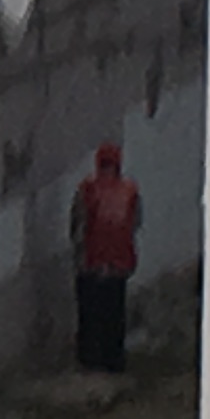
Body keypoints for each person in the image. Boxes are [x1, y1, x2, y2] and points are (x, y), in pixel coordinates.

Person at [70, 142, 142, 374]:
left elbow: (77, 227)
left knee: (90, 314)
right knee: (115, 313)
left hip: (91, 263)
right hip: (119, 264)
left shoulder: (87, 189)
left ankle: (90, 360)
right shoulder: (130, 190)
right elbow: (136, 222)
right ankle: (114, 360)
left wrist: (79, 255)